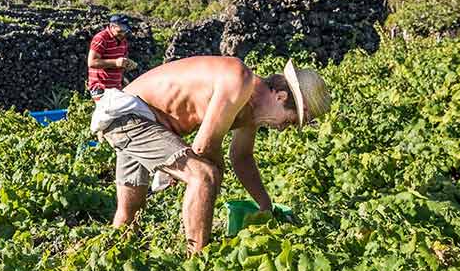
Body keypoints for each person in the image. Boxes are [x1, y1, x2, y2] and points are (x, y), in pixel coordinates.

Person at [90, 57, 331, 253]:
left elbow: (242, 157)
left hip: (142, 120)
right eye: (290, 121)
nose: (283, 128)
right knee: (204, 177)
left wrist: (265, 205)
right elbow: (204, 146)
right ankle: (196, 264)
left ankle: (113, 263)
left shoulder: (253, 111)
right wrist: (213, 176)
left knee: (130, 210)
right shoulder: (240, 80)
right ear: (281, 97)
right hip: (129, 113)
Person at [87, 14, 138, 101]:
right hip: (100, 87)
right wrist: (115, 62)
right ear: (112, 26)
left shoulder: (123, 41)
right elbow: (92, 62)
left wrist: (127, 64)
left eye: (125, 31)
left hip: (116, 87)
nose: (123, 34)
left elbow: (120, 64)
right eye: (120, 30)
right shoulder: (101, 38)